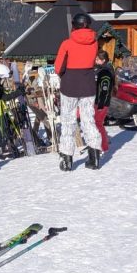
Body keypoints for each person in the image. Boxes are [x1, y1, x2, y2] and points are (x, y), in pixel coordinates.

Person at [51, 12, 100, 172]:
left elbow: (58, 67)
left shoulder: (67, 43)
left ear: (74, 25)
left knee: (68, 122)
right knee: (88, 120)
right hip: (88, 85)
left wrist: (64, 74)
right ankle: (94, 157)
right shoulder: (94, 43)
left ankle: (67, 160)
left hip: (70, 86)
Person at [89, 50, 114, 169]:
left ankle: (103, 147)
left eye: (97, 59)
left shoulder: (105, 72)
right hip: (97, 101)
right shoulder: (100, 69)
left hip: (101, 103)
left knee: (98, 124)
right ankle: (101, 145)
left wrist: (100, 104)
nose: (95, 61)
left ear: (103, 60)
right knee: (97, 124)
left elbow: (105, 89)